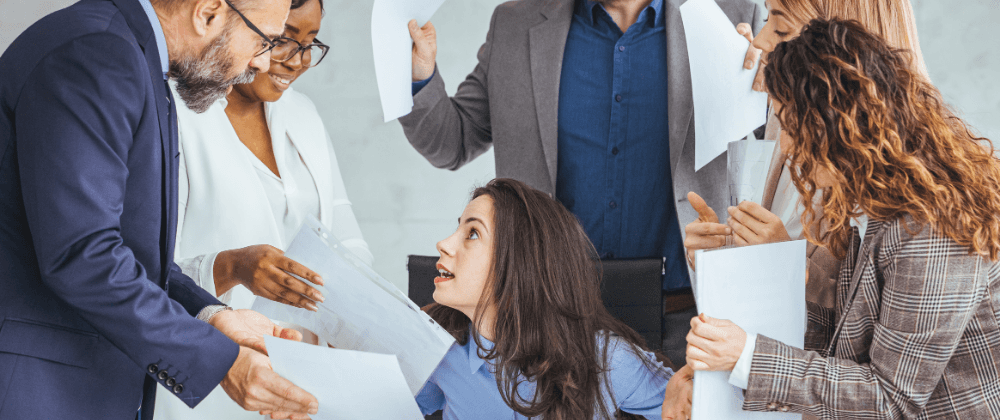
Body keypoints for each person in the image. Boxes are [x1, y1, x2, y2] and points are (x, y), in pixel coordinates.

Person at [0, 0, 320, 419]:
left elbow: (133, 252)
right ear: (208, 13)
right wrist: (221, 361)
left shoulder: (137, 59)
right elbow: (83, 255)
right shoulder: (99, 53)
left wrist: (212, 316)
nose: (261, 62)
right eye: (263, 40)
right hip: (38, 391)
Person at [403, 0, 763, 367]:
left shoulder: (733, 16)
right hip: (548, 318)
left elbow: (786, 144)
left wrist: (777, 84)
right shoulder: (515, 23)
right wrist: (420, 76)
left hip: (687, 321)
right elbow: (451, 141)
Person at [686, 18, 1000, 418]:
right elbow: (846, 338)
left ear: (838, 125)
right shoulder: (870, 200)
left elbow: (891, 398)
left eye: (792, 126)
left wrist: (746, 356)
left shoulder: (931, 229)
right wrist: (742, 266)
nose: (786, 146)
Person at [155, 0, 372, 417]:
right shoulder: (178, 114)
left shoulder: (303, 114)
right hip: (209, 373)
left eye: (310, 43)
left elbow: (346, 239)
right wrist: (233, 267)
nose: (298, 61)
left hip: (297, 372)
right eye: (283, 39)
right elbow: (148, 268)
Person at [683, 0, 929, 308]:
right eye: (767, 18)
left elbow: (861, 316)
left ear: (842, 44)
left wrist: (784, 263)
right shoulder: (785, 117)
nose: (758, 41)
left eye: (781, 29)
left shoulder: (913, 191)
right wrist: (725, 258)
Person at [417, 178, 694, 420]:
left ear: (522, 263)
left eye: (473, 233)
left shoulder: (608, 361)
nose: (444, 244)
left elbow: (692, 410)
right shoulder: (438, 351)